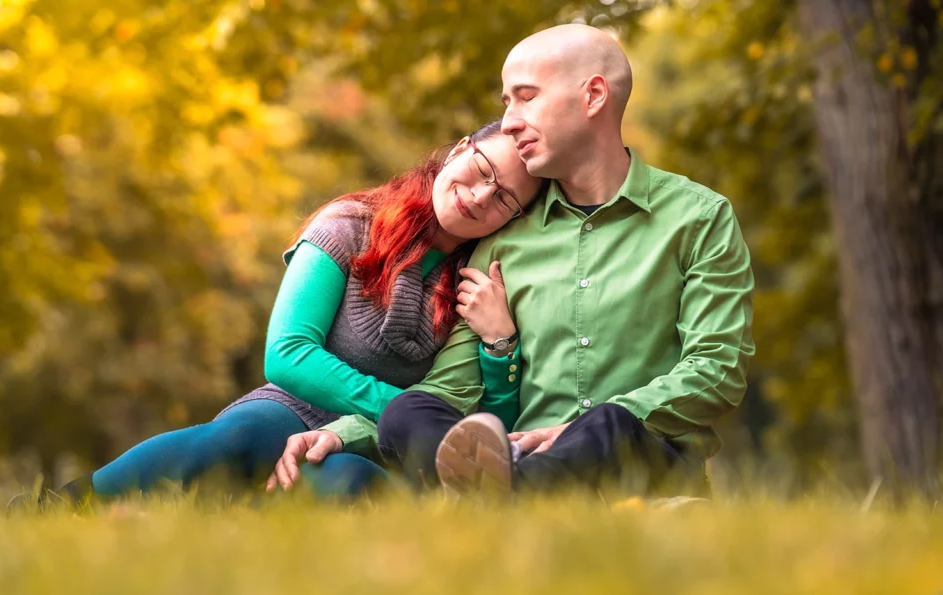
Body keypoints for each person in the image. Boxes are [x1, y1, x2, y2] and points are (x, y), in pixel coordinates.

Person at [271, 25, 754, 500]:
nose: (509, 122)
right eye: (507, 104)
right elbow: (455, 388)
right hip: (517, 459)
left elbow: (717, 368)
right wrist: (348, 431)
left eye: (526, 97)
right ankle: (516, 495)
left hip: (641, 457)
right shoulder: (503, 240)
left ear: (593, 96)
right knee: (408, 410)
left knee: (608, 422)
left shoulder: (699, 217)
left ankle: (503, 501)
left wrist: (572, 431)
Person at [9, 119, 541, 508]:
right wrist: (407, 412)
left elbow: (481, 417)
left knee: (353, 486)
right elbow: (286, 357)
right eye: (481, 169)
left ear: (510, 219)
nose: (478, 195)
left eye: (503, 198)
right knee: (243, 437)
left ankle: (244, 510)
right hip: (289, 409)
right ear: (457, 150)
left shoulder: (476, 283)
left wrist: (500, 348)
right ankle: (62, 506)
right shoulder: (349, 224)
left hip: (372, 444)